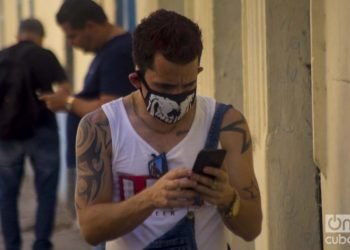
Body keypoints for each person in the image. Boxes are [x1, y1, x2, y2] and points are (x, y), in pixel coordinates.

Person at [75, 9, 263, 250]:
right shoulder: (102, 128)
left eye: (189, 85)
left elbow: (252, 228)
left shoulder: (227, 124)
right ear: (136, 80)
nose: (177, 97)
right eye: (165, 86)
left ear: (198, 73)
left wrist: (227, 198)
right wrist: (150, 199)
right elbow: (91, 229)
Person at [39, 0, 135, 249]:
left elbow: (107, 108)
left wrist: (67, 102)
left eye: (73, 36)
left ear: (91, 26)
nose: (72, 44)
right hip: (92, 159)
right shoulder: (107, 52)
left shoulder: (118, 52)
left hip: (103, 163)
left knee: (99, 230)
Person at [0, 18, 68, 250]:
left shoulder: (3, 56)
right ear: (40, 36)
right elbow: (64, 90)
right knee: (47, 192)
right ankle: (41, 243)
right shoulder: (45, 55)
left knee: (7, 195)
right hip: (43, 130)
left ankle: (12, 245)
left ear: (18, 34)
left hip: (7, 135)